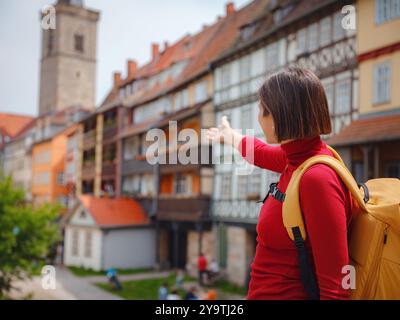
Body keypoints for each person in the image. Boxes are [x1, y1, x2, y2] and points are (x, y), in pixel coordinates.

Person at [206, 66, 353, 300]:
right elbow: (260, 152)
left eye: (262, 109)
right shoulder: (298, 159)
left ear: (280, 115)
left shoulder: (317, 178)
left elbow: (336, 287)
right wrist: (230, 135)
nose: (258, 117)